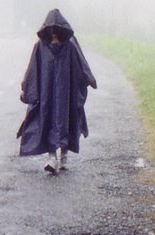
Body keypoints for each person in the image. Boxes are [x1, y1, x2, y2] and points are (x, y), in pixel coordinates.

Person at [17, 9, 97, 173]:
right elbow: (32, 69)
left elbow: (82, 63)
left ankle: (64, 157)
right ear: (46, 32)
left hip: (67, 95)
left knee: (66, 122)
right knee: (47, 123)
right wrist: (27, 90)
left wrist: (89, 79)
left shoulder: (70, 46)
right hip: (47, 95)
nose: (54, 37)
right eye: (51, 33)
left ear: (62, 31)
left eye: (57, 33)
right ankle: (52, 158)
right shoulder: (40, 47)